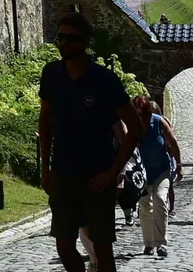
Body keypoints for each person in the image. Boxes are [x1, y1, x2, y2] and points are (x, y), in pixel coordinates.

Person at [39, 13, 145, 272]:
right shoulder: (52, 73)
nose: (63, 43)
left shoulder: (105, 80)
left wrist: (113, 173)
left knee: (102, 249)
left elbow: (136, 128)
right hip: (63, 174)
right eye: (60, 37)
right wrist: (45, 169)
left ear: (86, 42)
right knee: (64, 246)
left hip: (97, 177)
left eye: (71, 39)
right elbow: (45, 121)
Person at [133, 94, 182, 258]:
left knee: (161, 200)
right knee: (145, 206)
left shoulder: (158, 122)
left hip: (161, 169)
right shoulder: (131, 125)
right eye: (138, 114)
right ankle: (148, 244)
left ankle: (160, 243)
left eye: (143, 114)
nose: (141, 118)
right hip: (142, 173)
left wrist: (179, 166)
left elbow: (173, 142)